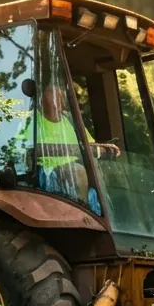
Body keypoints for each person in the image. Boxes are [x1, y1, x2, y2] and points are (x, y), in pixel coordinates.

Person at [34, 80, 120, 214]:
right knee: (78, 171)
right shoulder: (33, 122)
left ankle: (103, 213)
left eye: (59, 93)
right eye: (51, 92)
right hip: (46, 176)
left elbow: (90, 145)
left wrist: (105, 147)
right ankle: (84, 215)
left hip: (73, 175)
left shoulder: (70, 120)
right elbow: (24, 150)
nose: (56, 97)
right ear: (42, 97)